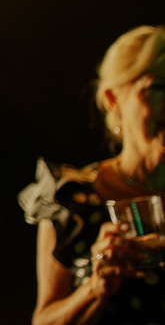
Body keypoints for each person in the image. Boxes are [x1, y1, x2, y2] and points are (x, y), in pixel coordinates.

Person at [19, 25, 165, 324]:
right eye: (158, 89)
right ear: (113, 99)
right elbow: (44, 320)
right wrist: (97, 288)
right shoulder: (74, 200)